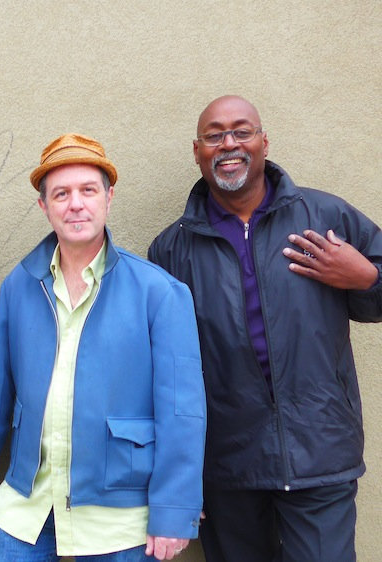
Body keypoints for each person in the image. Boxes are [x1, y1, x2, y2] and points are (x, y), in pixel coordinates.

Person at [148, 95, 382, 561]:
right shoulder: (172, 249)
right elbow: (164, 373)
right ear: (197, 151)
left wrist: (367, 278)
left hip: (319, 452)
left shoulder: (325, 217)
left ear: (264, 142)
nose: (228, 144)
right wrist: (179, 476)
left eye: (242, 131)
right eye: (214, 136)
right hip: (226, 463)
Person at [0, 133, 206, 561]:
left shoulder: (159, 292)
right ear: (44, 206)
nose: (75, 204)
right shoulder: (20, 285)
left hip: (120, 508)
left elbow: (182, 411)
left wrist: (174, 509)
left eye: (88, 190)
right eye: (61, 194)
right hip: (29, 498)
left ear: (108, 198)